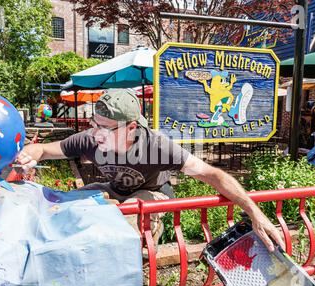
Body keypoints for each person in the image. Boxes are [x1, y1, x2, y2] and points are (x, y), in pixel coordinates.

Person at [17, 89, 285, 252]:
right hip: (115, 191)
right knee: (70, 203)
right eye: (93, 123)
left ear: (131, 127)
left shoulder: (157, 146)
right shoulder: (90, 138)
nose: (95, 133)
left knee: (132, 213)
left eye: (104, 128)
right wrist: (29, 153)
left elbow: (212, 174)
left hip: (152, 193)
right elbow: (44, 150)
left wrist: (255, 212)